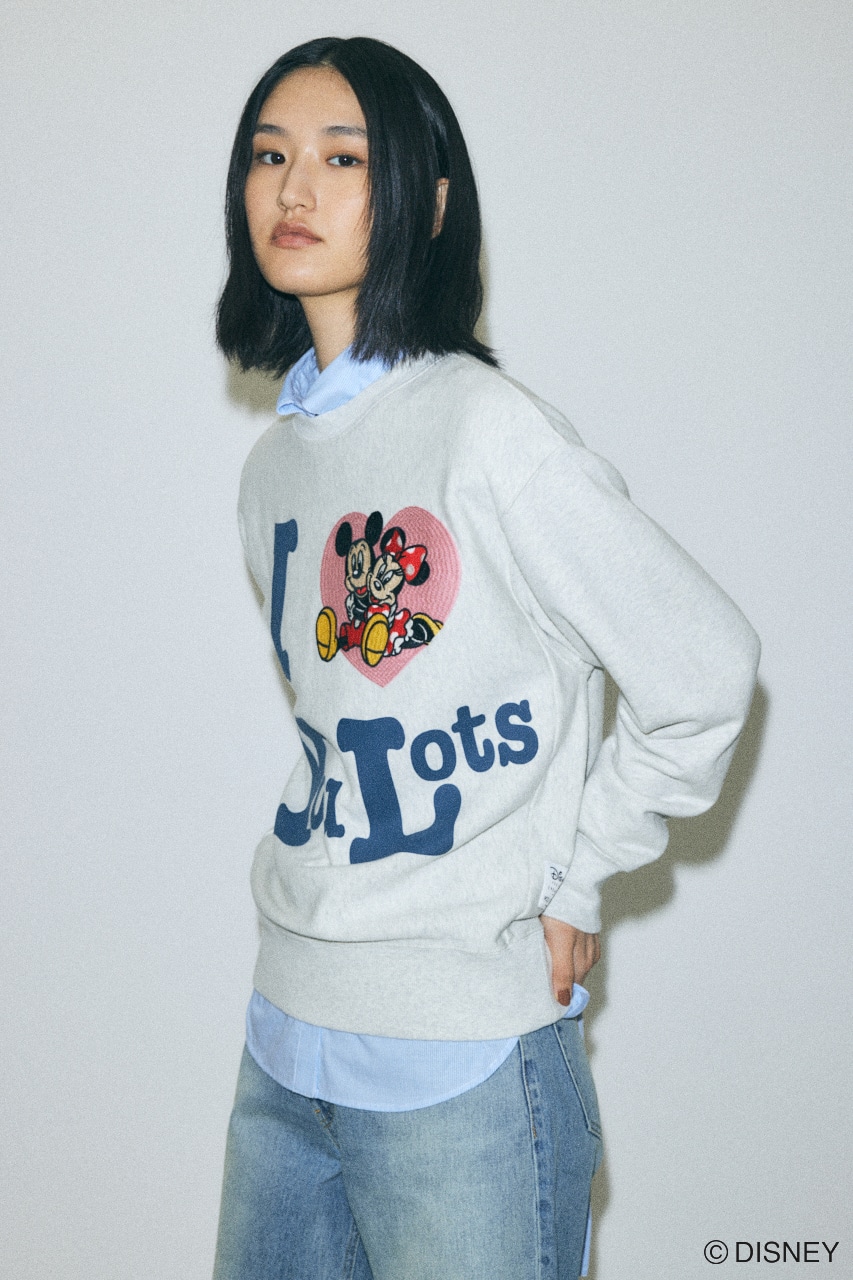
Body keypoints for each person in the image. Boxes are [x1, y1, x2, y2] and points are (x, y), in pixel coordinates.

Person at [212, 36, 760, 1280]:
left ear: (427, 198)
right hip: (284, 1039)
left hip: (460, 1057)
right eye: (269, 155)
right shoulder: (274, 470)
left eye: (343, 158)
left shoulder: (487, 431)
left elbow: (703, 666)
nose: (294, 188)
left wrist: (577, 878)